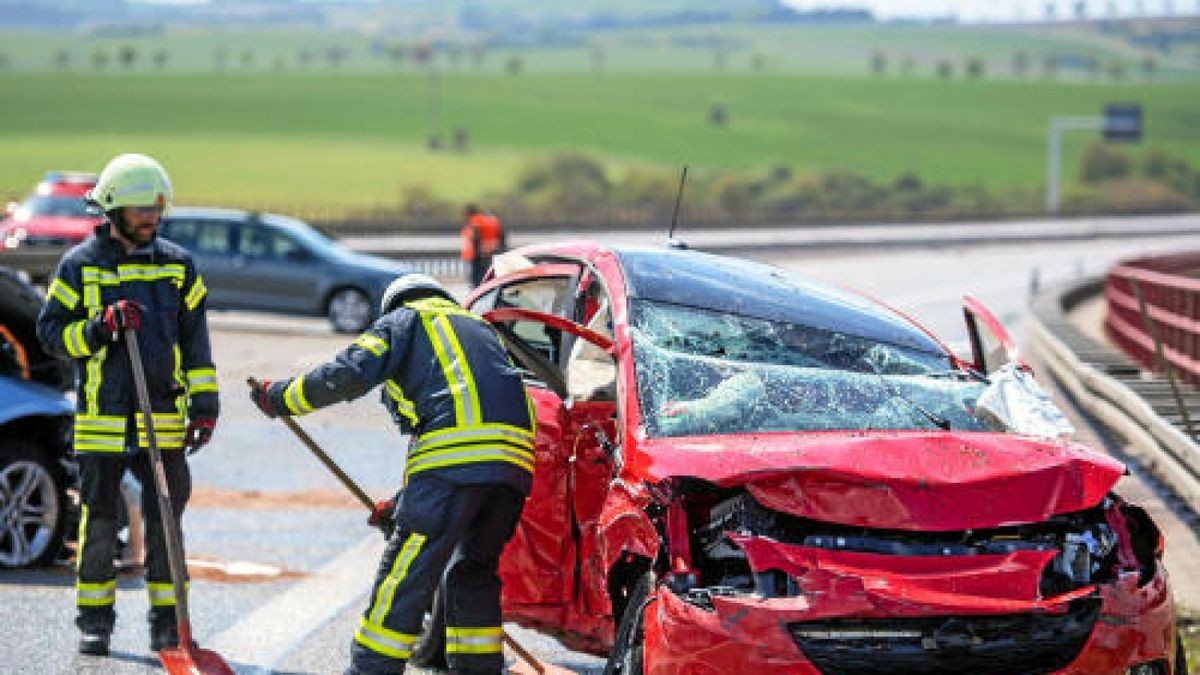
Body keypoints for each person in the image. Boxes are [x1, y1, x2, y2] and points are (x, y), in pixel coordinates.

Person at [249, 273, 534, 675]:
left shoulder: (406, 320)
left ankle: (371, 670)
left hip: (454, 465)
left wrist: (280, 397)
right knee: (472, 573)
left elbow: (347, 373)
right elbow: (454, 427)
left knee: (406, 577)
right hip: (512, 473)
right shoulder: (480, 331)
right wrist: (403, 507)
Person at [36, 153, 219, 656]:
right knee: (99, 520)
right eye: (141, 210)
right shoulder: (79, 266)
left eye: (157, 209)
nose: (152, 219)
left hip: (163, 416)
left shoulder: (178, 267)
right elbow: (51, 335)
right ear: (112, 211)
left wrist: (204, 403)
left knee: (166, 521)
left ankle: (168, 628)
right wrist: (99, 329)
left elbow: (196, 344)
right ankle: (95, 623)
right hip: (102, 419)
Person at [460, 204, 506, 288]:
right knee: (487, 274)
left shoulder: (475, 221)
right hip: (491, 252)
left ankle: (478, 292)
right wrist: (502, 249)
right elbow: (502, 235)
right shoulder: (491, 220)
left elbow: (475, 236)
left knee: (477, 278)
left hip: (478, 255)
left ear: (468, 214)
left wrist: (477, 251)